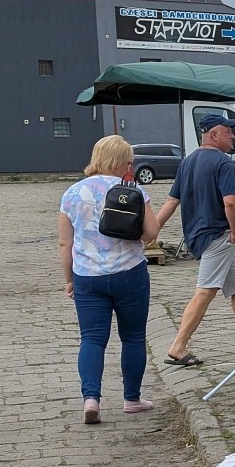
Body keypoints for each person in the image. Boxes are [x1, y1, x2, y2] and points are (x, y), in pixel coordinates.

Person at [58, 135, 163, 425]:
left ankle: (91, 399)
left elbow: (65, 245)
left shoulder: (72, 194)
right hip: (129, 273)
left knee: (91, 338)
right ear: (122, 163)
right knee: (132, 337)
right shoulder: (133, 190)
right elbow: (151, 233)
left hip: (87, 277)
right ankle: (132, 399)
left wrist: (70, 280)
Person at [157, 113, 235, 366]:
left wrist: (153, 230)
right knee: (205, 291)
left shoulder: (188, 162)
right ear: (213, 134)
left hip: (199, 235)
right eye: (228, 132)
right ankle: (178, 347)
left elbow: (172, 201)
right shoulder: (223, 163)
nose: (232, 137)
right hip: (220, 235)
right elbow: (230, 202)